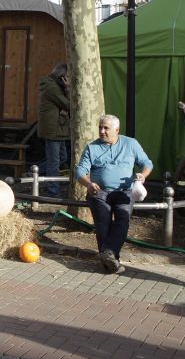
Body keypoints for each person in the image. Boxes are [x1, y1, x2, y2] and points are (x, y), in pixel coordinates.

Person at [75, 114, 152, 275]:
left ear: (117, 130)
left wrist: (143, 175)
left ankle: (108, 254)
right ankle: (110, 260)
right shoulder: (92, 148)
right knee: (103, 222)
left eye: (106, 128)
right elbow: (80, 171)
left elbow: (147, 163)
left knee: (123, 219)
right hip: (99, 191)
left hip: (124, 191)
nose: (102, 131)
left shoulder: (131, 144)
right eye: (100, 127)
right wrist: (88, 184)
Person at [38, 62, 70, 197]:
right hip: (53, 129)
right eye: (68, 76)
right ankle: (53, 191)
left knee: (62, 158)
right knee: (54, 162)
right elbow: (69, 104)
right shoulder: (52, 87)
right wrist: (68, 88)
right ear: (62, 76)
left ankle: (35, 171)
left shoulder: (54, 85)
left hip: (58, 128)